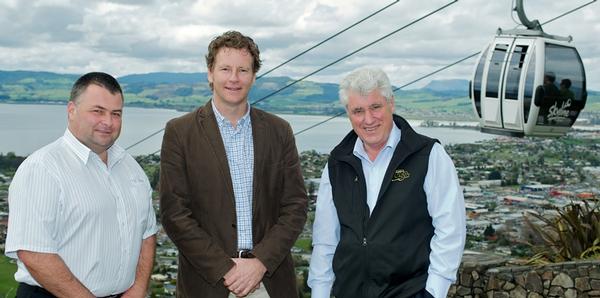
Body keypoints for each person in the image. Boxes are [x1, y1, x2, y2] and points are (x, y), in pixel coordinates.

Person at [159, 30, 308, 298]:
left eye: (243, 70)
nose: (234, 78)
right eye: (225, 68)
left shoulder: (279, 130)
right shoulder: (180, 132)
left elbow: (295, 206)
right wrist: (226, 269)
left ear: (253, 76)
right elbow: (175, 214)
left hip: (269, 282)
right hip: (209, 283)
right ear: (210, 73)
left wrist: (260, 262)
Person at [308, 67, 466, 298]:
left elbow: (450, 230)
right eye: (358, 111)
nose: (368, 119)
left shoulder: (427, 155)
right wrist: (320, 294)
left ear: (391, 103)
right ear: (348, 113)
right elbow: (325, 240)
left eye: (375, 107)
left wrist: (434, 293)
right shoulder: (337, 163)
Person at [5, 72, 157, 297]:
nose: (108, 122)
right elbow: (34, 253)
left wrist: (138, 288)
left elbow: (147, 234)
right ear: (71, 111)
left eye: (116, 114)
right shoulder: (42, 168)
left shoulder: (130, 167)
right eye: (97, 111)